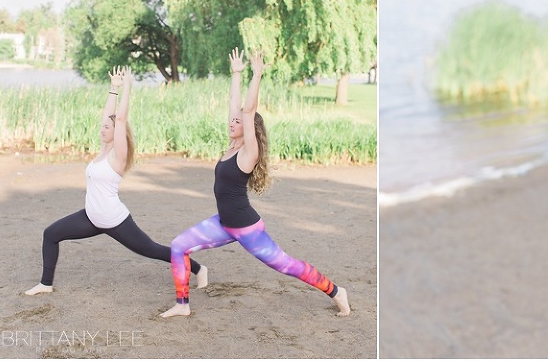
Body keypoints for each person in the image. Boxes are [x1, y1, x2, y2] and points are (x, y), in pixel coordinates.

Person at [160, 47, 350, 318]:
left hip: (247, 228)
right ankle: (182, 304)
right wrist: (236, 74)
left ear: (248, 128)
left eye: (238, 121)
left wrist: (257, 74)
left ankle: (336, 291)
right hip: (224, 223)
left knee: (286, 265)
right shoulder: (230, 146)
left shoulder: (248, 153)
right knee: (179, 245)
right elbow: (235, 104)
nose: (232, 121)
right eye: (232, 119)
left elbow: (248, 110)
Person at [25, 66, 207, 296]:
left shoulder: (118, 155)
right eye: (102, 126)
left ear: (118, 132)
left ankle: (199, 269)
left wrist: (128, 87)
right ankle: (45, 284)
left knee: (151, 249)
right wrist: (113, 89)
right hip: (91, 217)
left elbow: (119, 119)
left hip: (113, 219)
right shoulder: (103, 150)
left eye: (107, 128)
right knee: (51, 234)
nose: (103, 129)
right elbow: (109, 116)